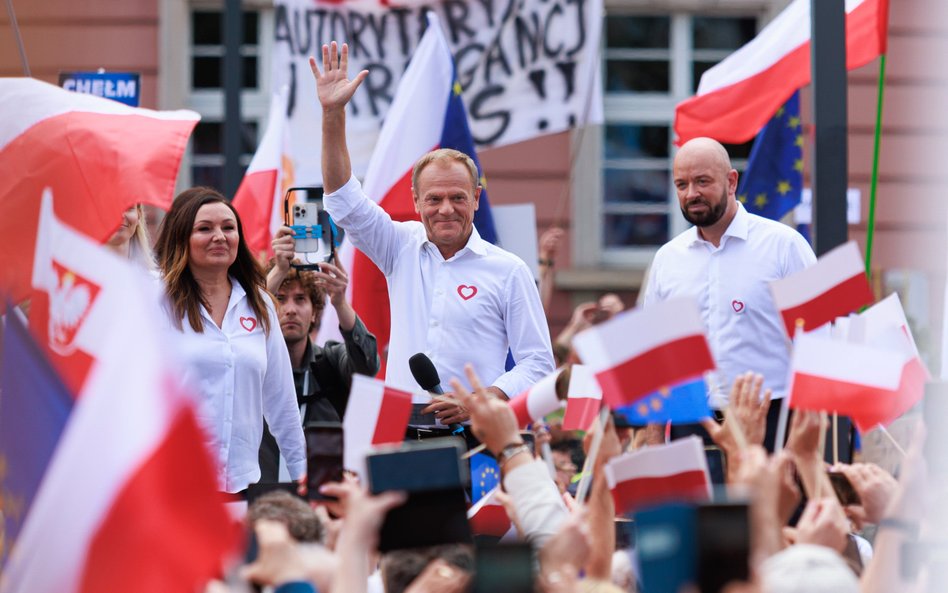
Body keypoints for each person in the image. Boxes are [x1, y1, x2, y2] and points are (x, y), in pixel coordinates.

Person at [310, 42, 555, 431]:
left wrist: (482, 398)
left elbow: (539, 362)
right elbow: (343, 201)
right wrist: (332, 114)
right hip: (400, 428)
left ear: (476, 199)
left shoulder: (508, 270)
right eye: (434, 199)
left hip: (479, 432)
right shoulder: (399, 246)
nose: (445, 209)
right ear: (416, 201)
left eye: (457, 197)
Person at [643, 137, 816, 451]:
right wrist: (653, 444)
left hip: (772, 422)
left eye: (702, 181)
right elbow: (656, 361)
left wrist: (796, 448)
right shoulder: (667, 259)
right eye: (681, 184)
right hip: (691, 423)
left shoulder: (785, 246)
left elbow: (818, 350)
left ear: (731, 181)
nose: (691, 193)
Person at [155, 187, 305, 495]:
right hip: (172, 485)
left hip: (241, 484)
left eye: (228, 227)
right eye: (204, 229)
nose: (220, 236)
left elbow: (282, 403)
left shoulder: (260, 304)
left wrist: (305, 477)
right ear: (182, 236)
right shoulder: (157, 300)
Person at [258, 226, 380, 481]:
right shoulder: (250, 367)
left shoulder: (331, 361)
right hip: (261, 502)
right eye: (279, 299)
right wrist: (278, 272)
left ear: (315, 312)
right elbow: (248, 320)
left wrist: (339, 301)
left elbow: (368, 365)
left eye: (300, 299)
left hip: (322, 500)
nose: (290, 309)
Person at [106, 204, 156, 272]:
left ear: (139, 215)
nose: (121, 215)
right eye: (109, 208)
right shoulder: (87, 272)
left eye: (128, 208)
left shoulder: (153, 278)